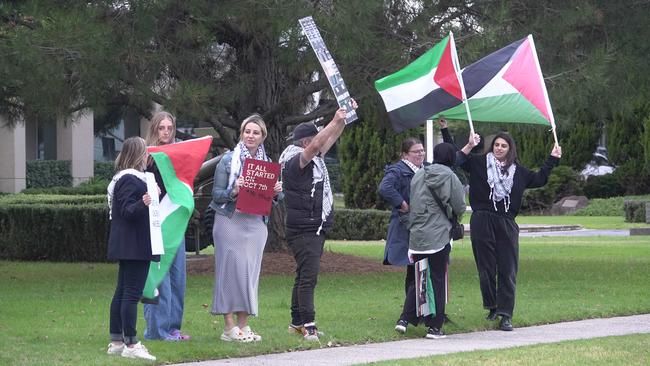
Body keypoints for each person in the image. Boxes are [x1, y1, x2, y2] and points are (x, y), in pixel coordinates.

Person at [458, 131, 562, 331]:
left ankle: (506, 314)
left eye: (503, 146)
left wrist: (552, 158)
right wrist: (468, 143)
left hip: (506, 222)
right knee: (486, 268)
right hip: (482, 220)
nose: (499, 148)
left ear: (510, 149)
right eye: (496, 144)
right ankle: (492, 306)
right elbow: (458, 159)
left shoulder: (519, 172)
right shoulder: (479, 163)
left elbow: (540, 179)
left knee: (507, 269)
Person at [279, 105, 352, 341]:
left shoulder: (314, 160)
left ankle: (296, 323)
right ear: (304, 143)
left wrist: (343, 118)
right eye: (313, 139)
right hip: (304, 229)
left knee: (302, 275)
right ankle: (309, 326)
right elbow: (318, 144)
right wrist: (333, 120)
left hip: (314, 227)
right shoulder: (294, 162)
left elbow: (328, 138)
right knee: (309, 278)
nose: (319, 142)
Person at [209, 114, 283, 342]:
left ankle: (243, 326)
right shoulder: (227, 160)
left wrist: (278, 191)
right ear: (241, 134)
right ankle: (228, 327)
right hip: (230, 220)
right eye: (247, 131)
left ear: (262, 137)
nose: (251, 136)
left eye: (256, 132)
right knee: (230, 272)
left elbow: (273, 200)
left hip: (256, 224)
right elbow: (215, 194)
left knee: (249, 274)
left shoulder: (267, 164)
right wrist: (234, 189)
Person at [407, 142, 466, 339]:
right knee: (438, 280)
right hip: (439, 234)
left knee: (421, 278)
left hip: (417, 235)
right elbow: (459, 205)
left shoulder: (418, 174)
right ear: (450, 157)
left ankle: (416, 317)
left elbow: (413, 202)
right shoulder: (450, 176)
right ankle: (435, 326)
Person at [106, 136, 157, 360]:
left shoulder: (126, 177)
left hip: (129, 244)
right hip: (135, 244)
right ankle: (131, 343)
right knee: (130, 294)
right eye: (145, 151)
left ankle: (117, 340)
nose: (148, 155)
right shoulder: (129, 178)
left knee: (122, 291)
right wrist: (144, 201)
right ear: (138, 153)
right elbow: (128, 210)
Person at [142, 111, 191, 341]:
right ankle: (156, 330)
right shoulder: (146, 157)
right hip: (154, 225)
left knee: (177, 278)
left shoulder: (177, 155)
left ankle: (173, 328)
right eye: (161, 128)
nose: (166, 132)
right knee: (159, 279)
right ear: (154, 129)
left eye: (170, 128)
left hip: (175, 224)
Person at [378, 137, 426, 334]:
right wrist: (402, 204)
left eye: (422, 150)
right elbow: (385, 188)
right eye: (416, 151)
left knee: (415, 269)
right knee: (414, 268)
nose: (421, 154)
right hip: (406, 226)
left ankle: (417, 311)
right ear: (405, 154)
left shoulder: (424, 168)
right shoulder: (398, 170)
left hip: (420, 226)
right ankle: (411, 313)